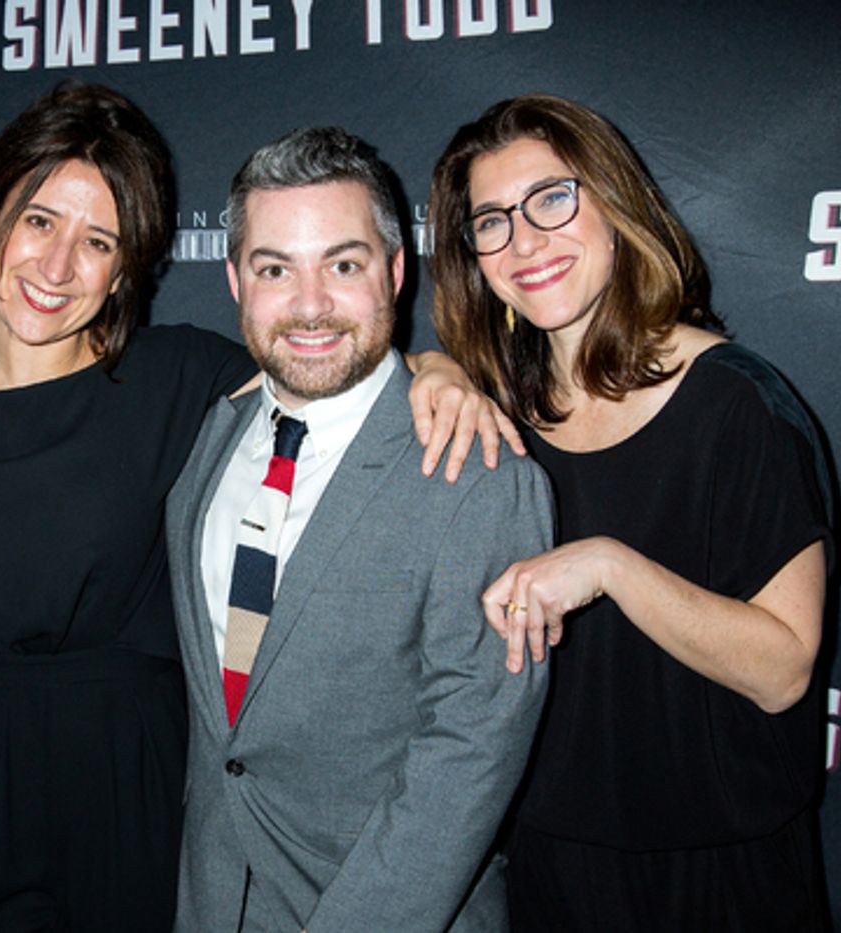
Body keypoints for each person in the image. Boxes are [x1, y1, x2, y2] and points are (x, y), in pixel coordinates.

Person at [0, 85, 516, 931]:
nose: (58, 265)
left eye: (98, 240)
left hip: (135, 813)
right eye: (39, 221)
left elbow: (327, 358)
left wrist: (440, 371)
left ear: (126, 267)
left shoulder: (181, 379)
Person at [428, 94, 832, 931]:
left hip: (720, 874)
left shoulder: (737, 405)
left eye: (552, 198)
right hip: (547, 864)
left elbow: (784, 666)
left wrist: (610, 565)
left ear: (615, 205)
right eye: (491, 221)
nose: (525, 241)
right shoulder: (495, 410)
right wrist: (434, 369)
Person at [166, 126, 552, 932]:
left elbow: (469, 755)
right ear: (236, 279)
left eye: (343, 265)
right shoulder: (217, 434)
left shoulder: (482, 473)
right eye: (276, 269)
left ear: (395, 271)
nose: (309, 305)